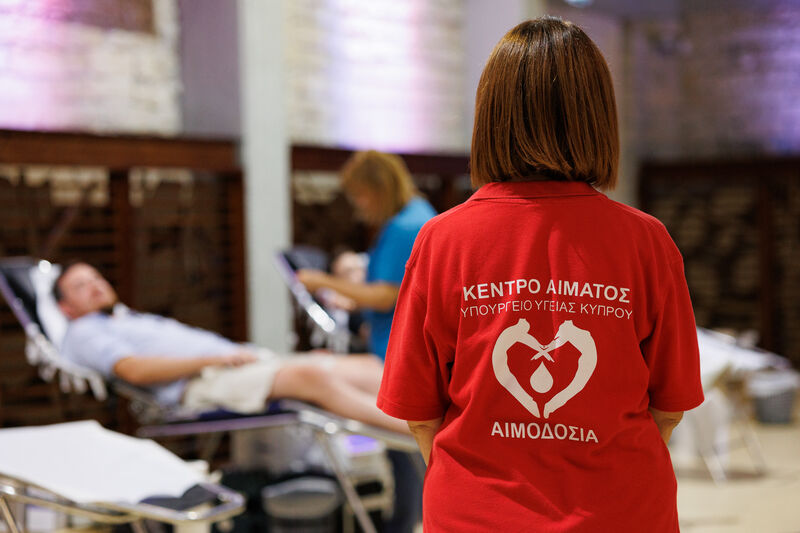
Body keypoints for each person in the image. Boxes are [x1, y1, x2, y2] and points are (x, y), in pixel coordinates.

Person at [377, 17, 704, 533]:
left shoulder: (442, 241)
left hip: (475, 516)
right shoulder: (647, 242)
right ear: (598, 118)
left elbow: (420, 413)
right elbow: (670, 405)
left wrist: (482, 484)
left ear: (489, 118)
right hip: (622, 515)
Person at [54, 261, 408, 434]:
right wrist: (215, 359)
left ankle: (431, 418)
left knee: (365, 365)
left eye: (96, 278)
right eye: (82, 286)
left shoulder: (125, 317)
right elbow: (133, 371)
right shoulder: (85, 331)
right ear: (65, 308)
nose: (96, 286)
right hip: (200, 382)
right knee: (314, 376)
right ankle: (419, 435)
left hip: (235, 362)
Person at [297, 150, 436, 361]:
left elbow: (385, 296)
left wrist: (323, 282)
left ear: (378, 189)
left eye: (360, 195)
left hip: (396, 353)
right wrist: (356, 302)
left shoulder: (405, 227)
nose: (358, 204)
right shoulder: (417, 213)